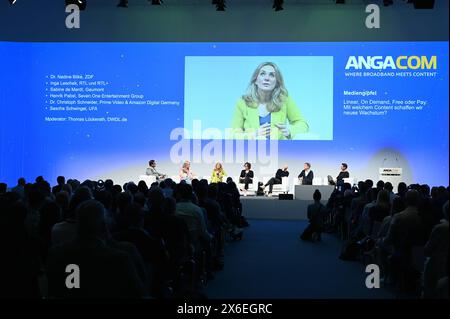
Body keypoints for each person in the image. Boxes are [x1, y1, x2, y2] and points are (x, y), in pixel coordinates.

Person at [230, 62, 309, 140]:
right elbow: (233, 134)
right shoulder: (242, 103)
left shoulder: (284, 100)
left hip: (279, 150)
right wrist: (254, 135)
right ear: (255, 81)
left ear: (277, 83)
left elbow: (303, 124)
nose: (267, 78)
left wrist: (290, 131)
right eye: (262, 74)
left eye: (272, 75)